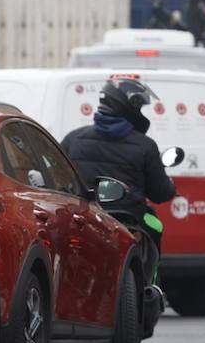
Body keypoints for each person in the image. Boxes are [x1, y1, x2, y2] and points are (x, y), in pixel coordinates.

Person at [61, 76, 176, 253]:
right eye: (138, 107)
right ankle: (149, 277)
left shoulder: (73, 139)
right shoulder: (145, 146)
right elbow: (159, 193)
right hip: (130, 223)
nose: (139, 112)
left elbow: (58, 179)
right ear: (126, 106)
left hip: (84, 221)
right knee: (155, 225)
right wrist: (170, 187)